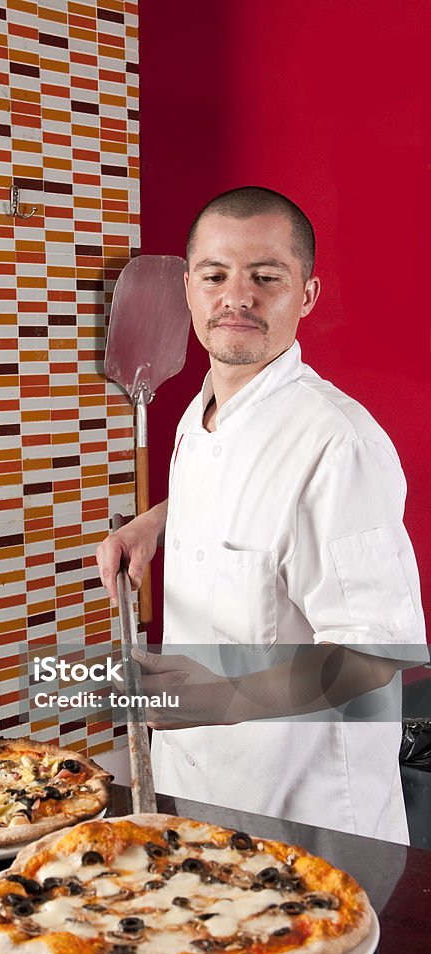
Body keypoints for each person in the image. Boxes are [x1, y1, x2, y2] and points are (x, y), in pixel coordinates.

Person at [96, 186, 427, 843]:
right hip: (192, 786)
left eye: (265, 277)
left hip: (306, 816)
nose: (236, 297)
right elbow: (237, 495)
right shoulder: (203, 411)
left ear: (305, 295)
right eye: (215, 276)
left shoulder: (338, 445)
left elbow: (375, 655)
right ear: (189, 288)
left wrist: (222, 698)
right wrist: (157, 522)